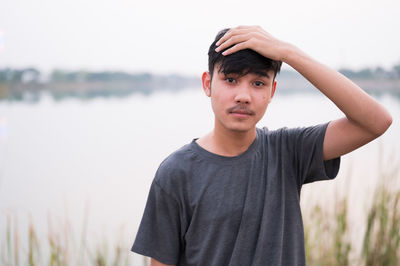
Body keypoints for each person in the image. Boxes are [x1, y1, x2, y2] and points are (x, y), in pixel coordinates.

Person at [131, 26, 392, 266]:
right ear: (208, 84)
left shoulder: (288, 151)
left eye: (258, 83)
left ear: (272, 92)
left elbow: (376, 122)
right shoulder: (176, 172)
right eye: (230, 80)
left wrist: (289, 54)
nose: (243, 96)